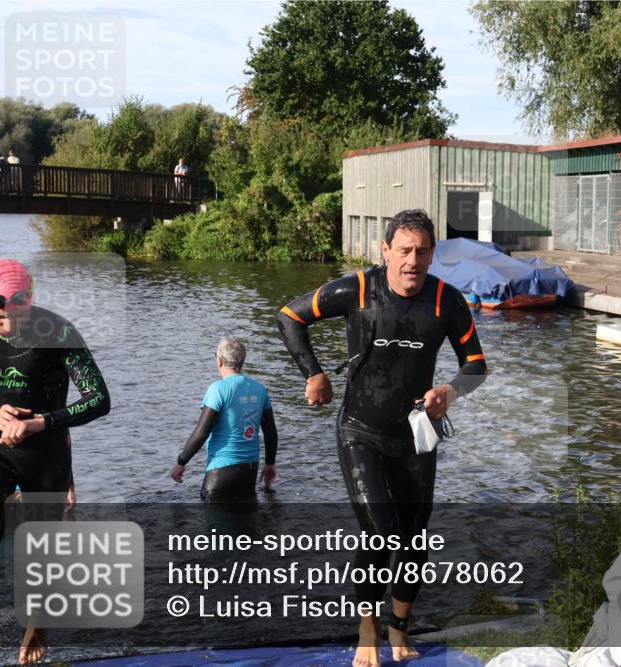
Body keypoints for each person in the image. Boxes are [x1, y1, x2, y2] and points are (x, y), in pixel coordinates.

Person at [277, 209, 488, 667]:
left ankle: (400, 627)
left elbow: (476, 364)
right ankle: (367, 627)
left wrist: (450, 390)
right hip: (361, 430)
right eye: (405, 250)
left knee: (413, 538)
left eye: (423, 251)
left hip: (416, 435)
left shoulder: (447, 302)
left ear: (433, 255)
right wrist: (313, 374)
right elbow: (290, 316)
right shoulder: (356, 288)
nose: (413, 260)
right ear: (385, 251)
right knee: (378, 531)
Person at [0, 259, 111, 666]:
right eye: (0, 319)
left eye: (18, 318)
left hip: (44, 453)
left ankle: (38, 623)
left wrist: (40, 423)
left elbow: (99, 399)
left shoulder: (59, 332)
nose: (10, 328)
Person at [170, 337, 277, 501]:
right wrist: (270, 464)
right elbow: (270, 431)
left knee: (214, 524)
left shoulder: (218, 389)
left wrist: (181, 462)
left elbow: (202, 431)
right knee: (246, 524)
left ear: (219, 360)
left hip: (221, 471)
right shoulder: (260, 389)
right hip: (250, 471)